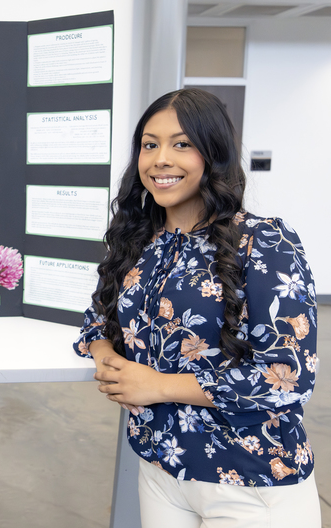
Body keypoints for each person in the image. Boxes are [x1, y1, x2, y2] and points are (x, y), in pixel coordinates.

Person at [74, 88, 320, 527]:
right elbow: (97, 321)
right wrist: (109, 361)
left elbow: (288, 377)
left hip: (252, 477)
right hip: (160, 465)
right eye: (150, 145)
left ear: (214, 153)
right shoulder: (138, 241)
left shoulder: (264, 242)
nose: (160, 159)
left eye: (181, 144)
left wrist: (157, 385)